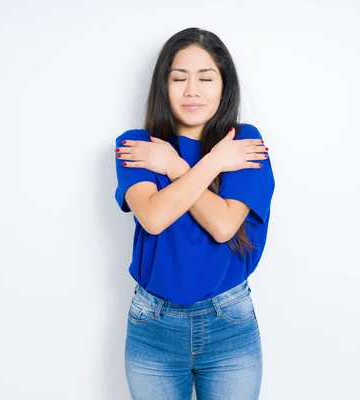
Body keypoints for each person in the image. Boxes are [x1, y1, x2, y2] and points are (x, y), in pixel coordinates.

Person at [113, 27, 275, 399]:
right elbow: (153, 218)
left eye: (206, 78)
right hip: (152, 324)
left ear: (224, 85)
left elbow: (222, 226)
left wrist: (177, 168)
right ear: (162, 85)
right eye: (179, 78)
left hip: (228, 323)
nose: (192, 90)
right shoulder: (136, 145)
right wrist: (214, 163)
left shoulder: (243, 142)